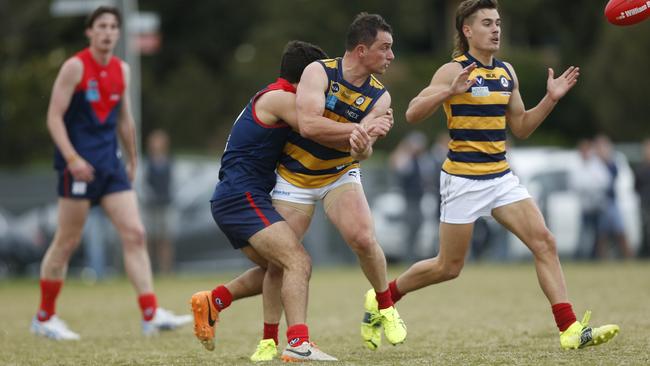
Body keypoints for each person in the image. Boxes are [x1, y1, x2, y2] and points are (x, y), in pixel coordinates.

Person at [359, 0, 619, 351]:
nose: (496, 29)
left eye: (497, 22)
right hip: (463, 179)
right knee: (448, 267)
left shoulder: (506, 72)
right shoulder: (452, 71)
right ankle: (383, 299)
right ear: (467, 31)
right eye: (486, 23)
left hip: (500, 178)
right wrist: (448, 92)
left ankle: (569, 328)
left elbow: (522, 127)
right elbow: (412, 113)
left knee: (545, 242)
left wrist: (551, 98)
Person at [31, 6, 190, 341]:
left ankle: (150, 314)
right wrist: (72, 158)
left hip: (111, 168)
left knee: (135, 234)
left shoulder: (122, 69)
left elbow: (124, 119)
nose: (107, 32)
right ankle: (44, 317)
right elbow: (53, 118)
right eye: (101, 26)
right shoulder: (75, 67)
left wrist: (133, 159)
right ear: (90, 32)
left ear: (119, 33)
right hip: (77, 169)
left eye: (113, 27)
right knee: (67, 241)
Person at [190, 40, 344, 362]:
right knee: (298, 262)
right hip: (241, 196)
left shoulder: (274, 95)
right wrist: (363, 125)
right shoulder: (281, 99)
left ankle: (215, 301)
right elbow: (313, 128)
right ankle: (298, 343)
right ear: (307, 78)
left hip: (236, 197)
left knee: (279, 267)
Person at [273, 12, 407, 352]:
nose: (391, 56)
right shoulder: (318, 72)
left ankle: (385, 305)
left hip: (338, 174)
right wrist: (359, 131)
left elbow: (362, 153)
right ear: (361, 50)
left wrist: (361, 145)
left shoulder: (381, 97)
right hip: (294, 177)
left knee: (363, 238)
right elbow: (308, 125)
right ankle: (265, 336)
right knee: (280, 261)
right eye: (385, 48)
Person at [389, 131, 429, 262]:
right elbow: (395, 164)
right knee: (410, 228)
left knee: (417, 228)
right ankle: (408, 258)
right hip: (410, 199)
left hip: (419, 199)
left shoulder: (422, 160)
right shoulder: (407, 160)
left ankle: (413, 257)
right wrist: (404, 148)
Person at [593, 135, 634, 259]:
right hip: (600, 203)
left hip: (611, 202)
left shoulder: (612, 162)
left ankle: (629, 257)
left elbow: (615, 177)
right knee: (602, 234)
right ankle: (602, 259)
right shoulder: (594, 163)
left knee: (620, 231)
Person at [569, 139, 609, 260]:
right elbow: (575, 184)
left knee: (599, 233)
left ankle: (597, 256)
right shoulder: (576, 166)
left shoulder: (596, 164)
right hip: (585, 207)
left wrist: (589, 186)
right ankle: (582, 257)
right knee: (585, 234)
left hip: (598, 206)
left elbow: (605, 181)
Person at [144, 129, 174, 273]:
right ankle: (149, 269)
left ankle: (165, 270)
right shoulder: (147, 163)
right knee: (150, 239)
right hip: (151, 206)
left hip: (165, 205)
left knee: (165, 239)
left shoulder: (169, 161)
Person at [634, 138, 650, 258]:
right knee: (645, 228)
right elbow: (636, 186)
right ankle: (644, 253)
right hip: (645, 202)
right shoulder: (640, 168)